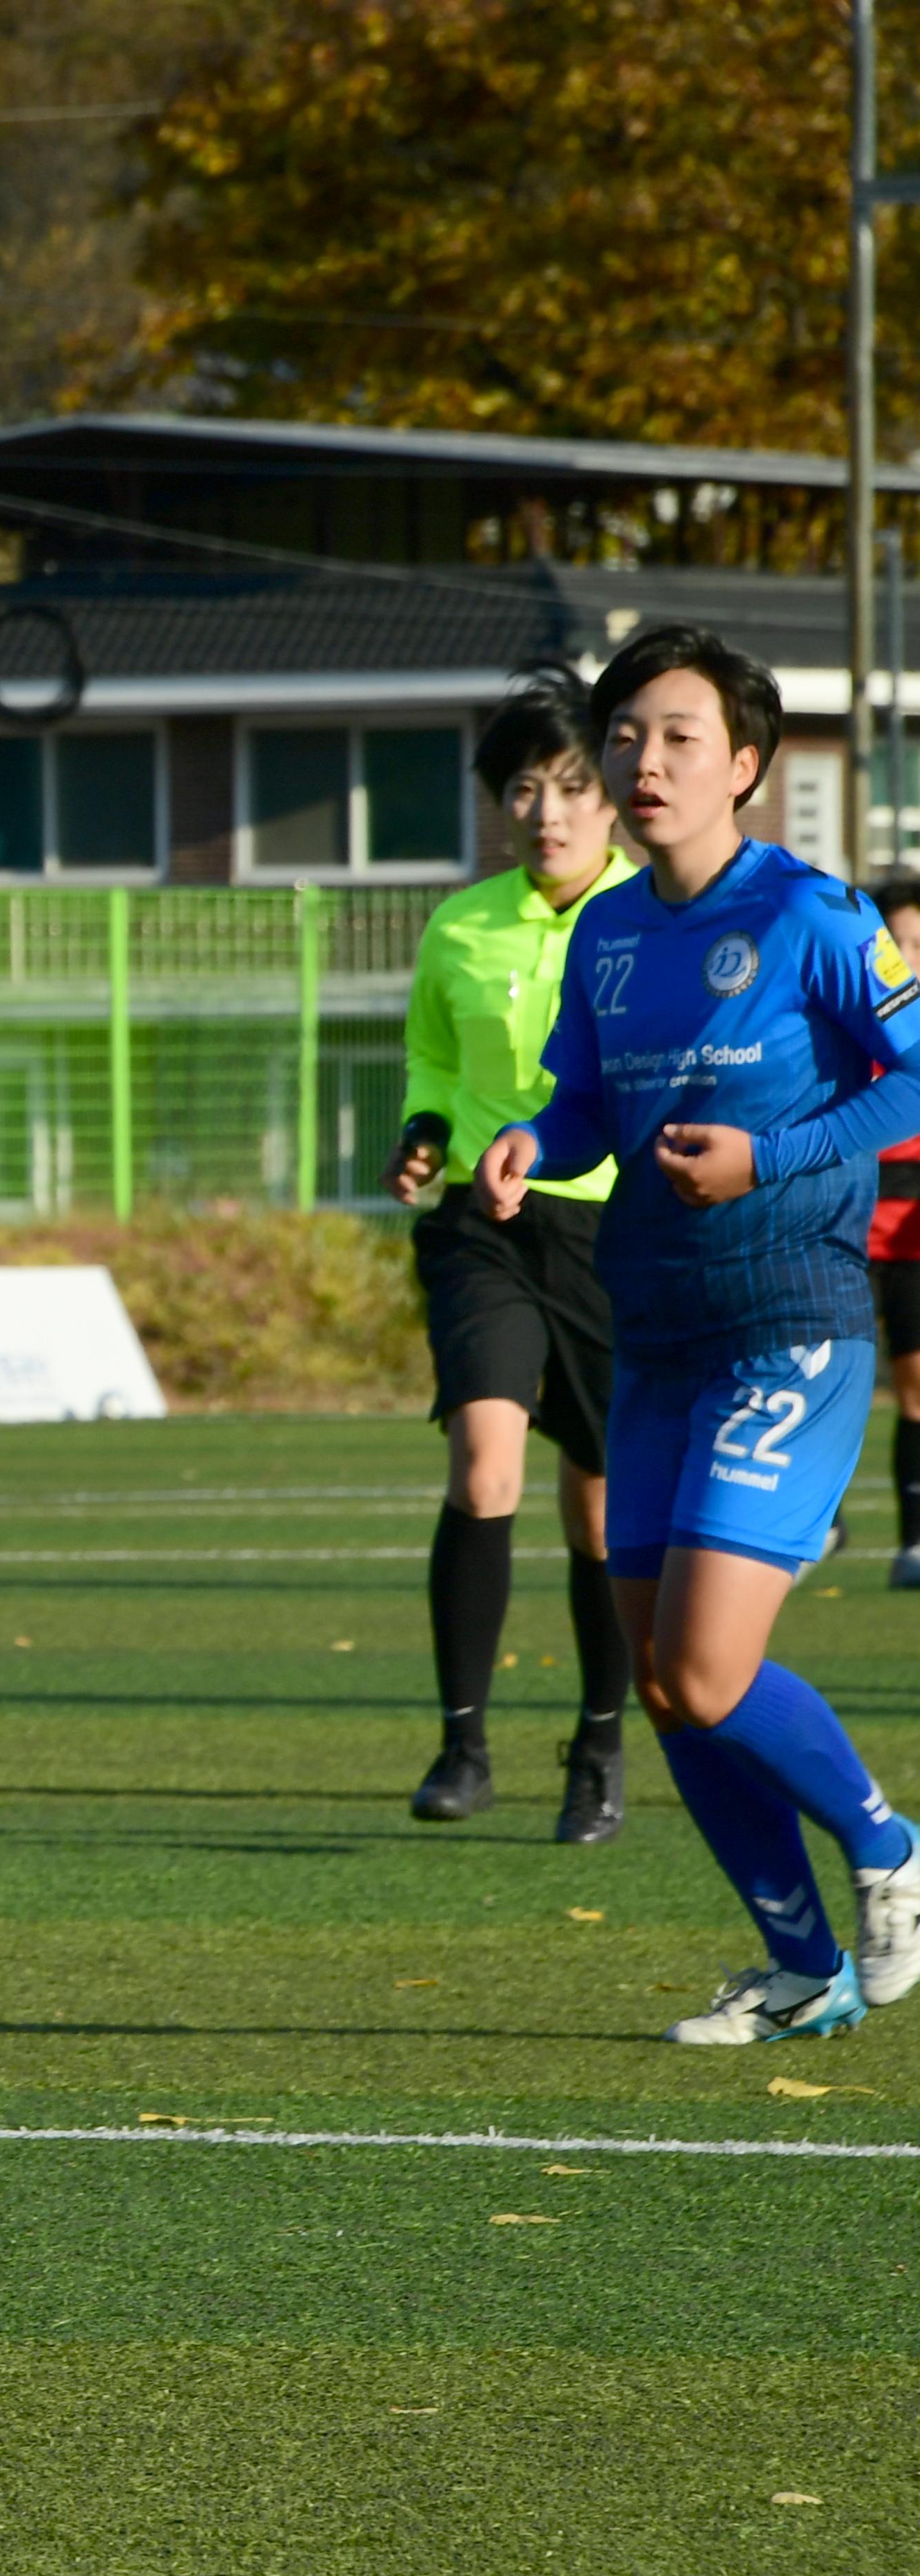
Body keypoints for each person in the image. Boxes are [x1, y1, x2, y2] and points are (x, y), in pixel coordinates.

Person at [478, 624, 920, 2044]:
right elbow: (583, 1101)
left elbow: (911, 1083)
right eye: (626, 735)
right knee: (668, 1682)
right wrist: (527, 1139)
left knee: (712, 1662)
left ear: (746, 764)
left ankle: (894, 1844)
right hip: (653, 1323)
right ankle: (800, 1968)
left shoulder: (816, 914)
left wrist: (767, 1159)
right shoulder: (607, 927)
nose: (642, 758)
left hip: (786, 1314)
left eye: (676, 736)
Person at [385, 666, 637, 1840]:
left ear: (612, 796)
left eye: (570, 785)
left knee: (596, 1518)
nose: (546, 810)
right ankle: (461, 1743)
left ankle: (596, 1747)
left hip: (613, 1231)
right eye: (524, 788)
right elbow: (433, 1065)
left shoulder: (651, 923)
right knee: (482, 1466)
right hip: (481, 1229)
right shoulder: (456, 925)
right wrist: (425, 1132)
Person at [874, 876, 920, 1588]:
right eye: (895, 943)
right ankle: (813, 1521)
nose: (908, 956)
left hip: (913, 1230)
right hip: (848, 1220)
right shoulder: (850, 1022)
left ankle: (913, 1542)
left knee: (915, 1387)